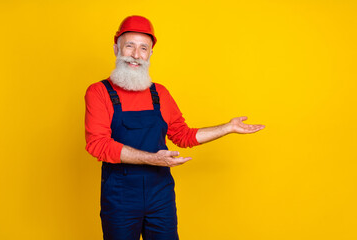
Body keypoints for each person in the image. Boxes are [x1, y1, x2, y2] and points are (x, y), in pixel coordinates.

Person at [85, 15, 265, 240]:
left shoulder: (159, 93)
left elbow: (182, 135)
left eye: (143, 48)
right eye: (129, 46)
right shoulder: (99, 92)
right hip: (121, 196)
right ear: (116, 49)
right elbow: (97, 145)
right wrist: (153, 159)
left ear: (150, 53)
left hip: (160, 196)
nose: (136, 55)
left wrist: (227, 128)